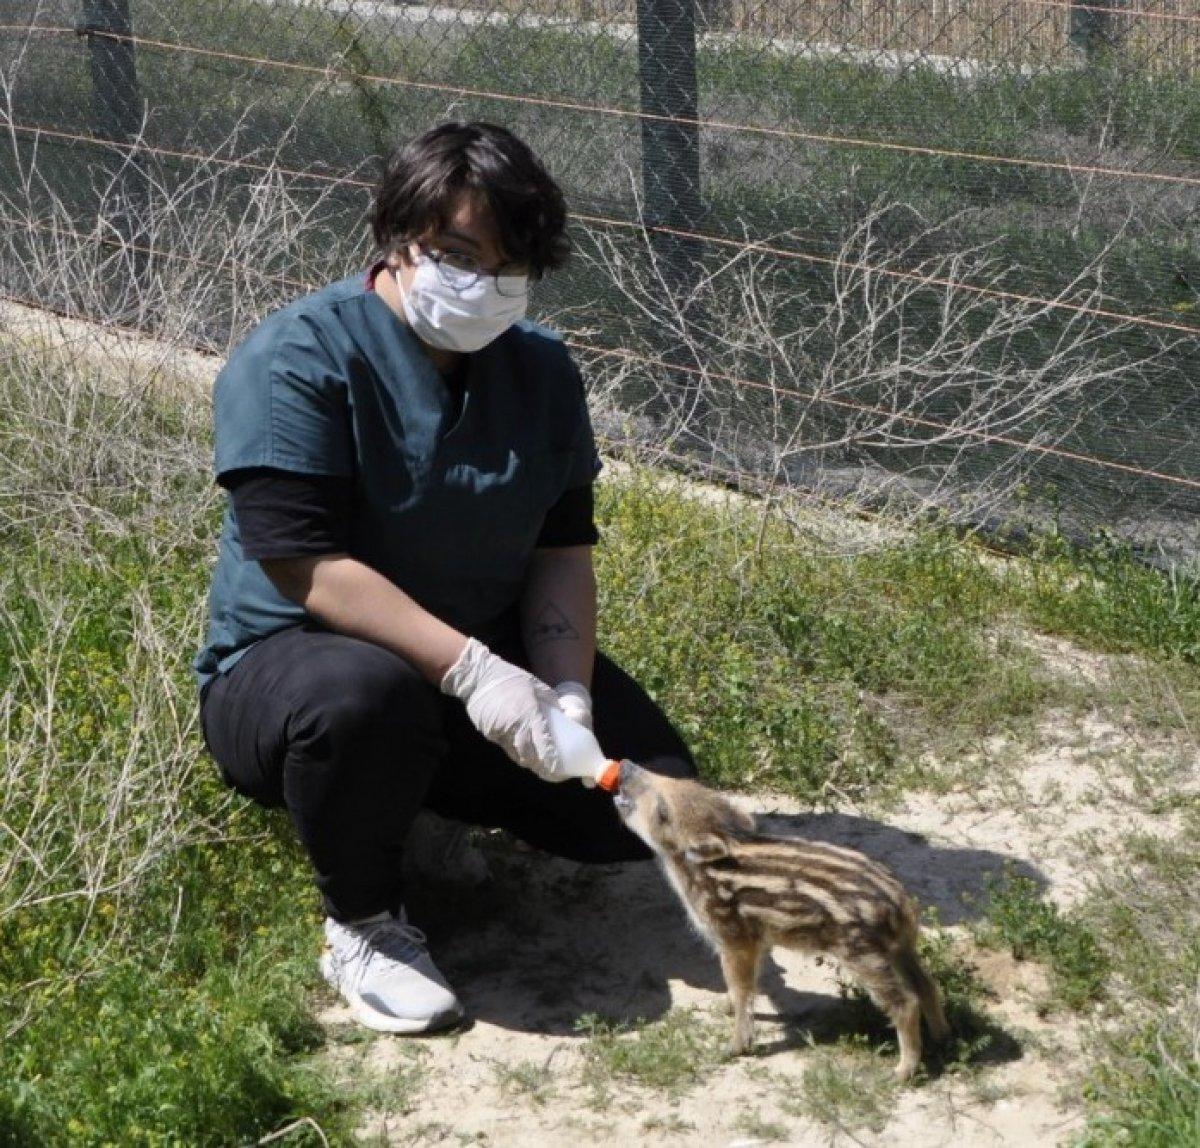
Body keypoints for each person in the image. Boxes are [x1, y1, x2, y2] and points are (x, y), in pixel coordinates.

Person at [194, 121, 697, 1035]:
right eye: (460, 254)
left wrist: (568, 691)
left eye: (509, 266)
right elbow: (303, 563)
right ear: (397, 237)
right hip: (297, 665)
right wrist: (472, 672)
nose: (485, 286)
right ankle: (365, 924)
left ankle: (423, 804)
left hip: (477, 654)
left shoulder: (540, 369)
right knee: (364, 703)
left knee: (634, 804)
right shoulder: (299, 357)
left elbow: (561, 546)